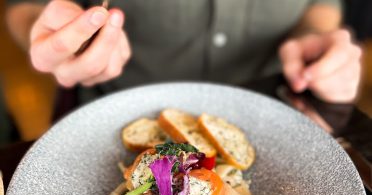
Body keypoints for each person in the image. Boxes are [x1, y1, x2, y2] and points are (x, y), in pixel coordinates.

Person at [6, 0, 362, 104]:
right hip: (116, 105)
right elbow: (26, 8)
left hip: (279, 108)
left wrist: (317, 36)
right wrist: (58, 36)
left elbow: (322, 4)